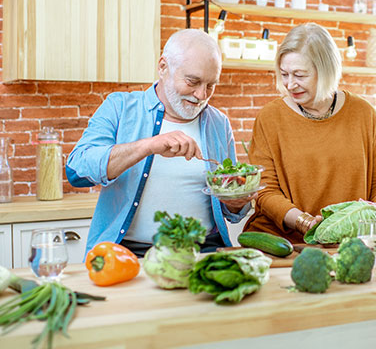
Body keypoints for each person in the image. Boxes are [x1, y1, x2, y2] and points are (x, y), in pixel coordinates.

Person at [66, 29, 254, 256]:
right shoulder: (119, 107)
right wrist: (148, 146)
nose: (201, 95)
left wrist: (236, 201)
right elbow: (77, 171)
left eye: (210, 85)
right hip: (130, 254)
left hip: (205, 251)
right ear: (163, 67)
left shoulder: (219, 123)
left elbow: (232, 211)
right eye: (192, 81)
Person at [243, 23, 376, 243]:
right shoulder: (270, 118)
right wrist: (306, 223)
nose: (290, 84)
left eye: (300, 75)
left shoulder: (364, 114)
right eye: (284, 74)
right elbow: (265, 193)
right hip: (282, 242)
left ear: (326, 71)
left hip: (346, 242)